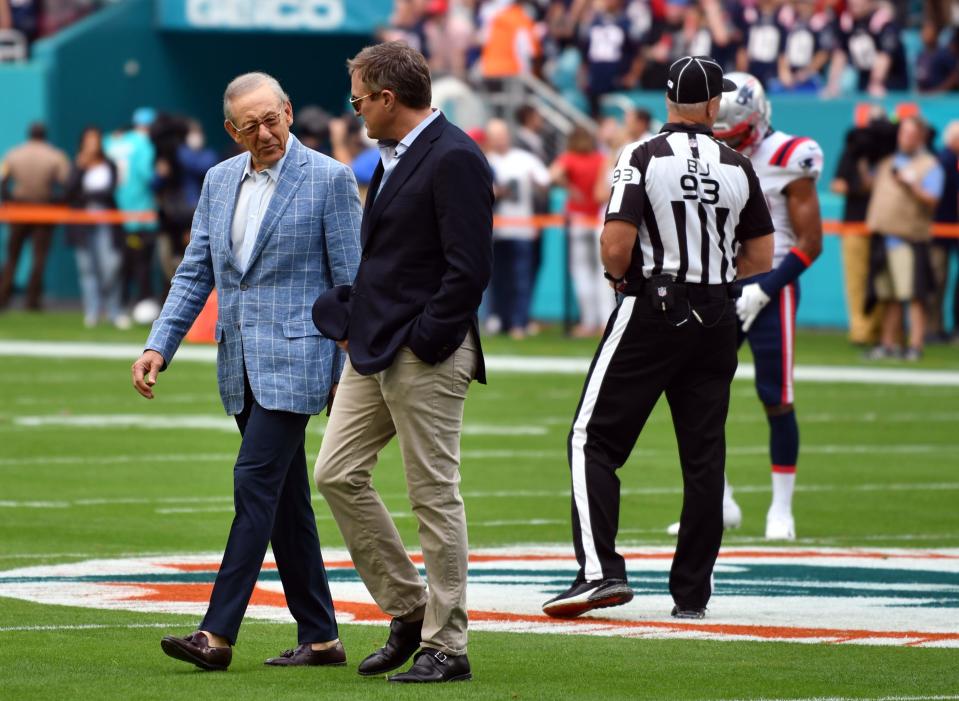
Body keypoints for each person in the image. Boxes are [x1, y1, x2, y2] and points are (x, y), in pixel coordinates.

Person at [130, 72, 362, 671]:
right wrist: (160, 345)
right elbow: (194, 272)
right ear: (232, 131)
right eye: (250, 125)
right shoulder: (218, 179)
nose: (266, 133)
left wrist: (349, 371)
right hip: (238, 364)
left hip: (300, 361)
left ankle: (217, 632)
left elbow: (350, 286)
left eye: (272, 119)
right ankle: (321, 637)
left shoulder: (331, 179)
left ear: (287, 110)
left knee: (253, 485)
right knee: (286, 504)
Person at [541, 56, 773, 621]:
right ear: (714, 104)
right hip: (718, 313)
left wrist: (624, 279)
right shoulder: (740, 165)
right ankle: (691, 593)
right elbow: (762, 256)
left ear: (668, 100)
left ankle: (600, 572)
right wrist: (711, 284)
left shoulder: (641, 155)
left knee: (590, 440)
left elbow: (616, 243)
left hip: (654, 306)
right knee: (703, 457)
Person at [312, 41, 492, 683]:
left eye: (359, 98)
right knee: (335, 473)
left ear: (388, 98)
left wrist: (429, 338)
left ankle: (448, 644)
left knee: (433, 495)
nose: (354, 109)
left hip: (423, 350)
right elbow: (392, 261)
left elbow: (469, 267)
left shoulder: (455, 157)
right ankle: (410, 609)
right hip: (379, 346)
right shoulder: (398, 156)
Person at [706, 71, 824, 541]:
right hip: (721, 284)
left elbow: (811, 243)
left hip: (774, 286)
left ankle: (781, 509)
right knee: (701, 395)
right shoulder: (709, 151)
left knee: (776, 396)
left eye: (735, 133)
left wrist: (768, 286)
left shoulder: (790, 155)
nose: (728, 142)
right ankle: (718, 500)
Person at [865, 116, 945, 361]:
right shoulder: (888, 161)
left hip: (909, 239)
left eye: (911, 134)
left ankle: (915, 345)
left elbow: (933, 200)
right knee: (888, 297)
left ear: (920, 138)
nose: (905, 138)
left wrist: (913, 186)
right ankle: (888, 344)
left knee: (913, 296)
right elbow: (869, 186)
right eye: (903, 133)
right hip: (883, 238)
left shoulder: (930, 165)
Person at [486, 117, 550, 340]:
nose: (499, 140)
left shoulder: (524, 159)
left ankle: (518, 322)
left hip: (522, 228)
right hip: (494, 230)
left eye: (501, 135)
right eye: (494, 136)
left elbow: (545, 181)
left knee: (521, 278)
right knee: (497, 279)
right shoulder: (484, 159)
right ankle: (500, 320)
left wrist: (537, 186)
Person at [0, 122, 70, 310]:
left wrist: (7, 200)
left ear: (28, 135)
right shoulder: (55, 155)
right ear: (45, 135)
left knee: (12, 256)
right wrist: (58, 202)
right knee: (39, 257)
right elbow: (67, 183)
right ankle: (32, 301)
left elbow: (3, 180)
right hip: (43, 208)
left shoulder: (13, 154)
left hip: (18, 208)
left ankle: (3, 297)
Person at [551, 125, 613, 337]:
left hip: (577, 219)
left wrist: (569, 187)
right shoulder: (599, 158)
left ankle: (588, 321)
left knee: (581, 271)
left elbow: (553, 175)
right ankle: (604, 321)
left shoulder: (569, 158)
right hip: (597, 219)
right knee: (601, 273)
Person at [65, 126, 126, 329]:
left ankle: (113, 309)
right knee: (87, 268)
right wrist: (81, 168)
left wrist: (89, 195)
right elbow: (70, 191)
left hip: (106, 219)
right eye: (89, 140)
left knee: (111, 265)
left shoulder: (108, 164)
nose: (93, 144)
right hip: (82, 222)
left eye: (96, 139)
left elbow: (109, 191)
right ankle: (92, 311)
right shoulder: (77, 164)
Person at [105, 108, 159, 309]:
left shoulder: (114, 141)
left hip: (117, 212)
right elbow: (148, 176)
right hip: (141, 213)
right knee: (142, 264)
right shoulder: (144, 144)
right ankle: (142, 304)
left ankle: (118, 304)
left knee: (124, 264)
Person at [928, 121, 959, 341]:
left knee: (940, 280)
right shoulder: (942, 161)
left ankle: (939, 328)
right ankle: (933, 328)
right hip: (940, 230)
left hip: (949, 229)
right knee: (936, 280)